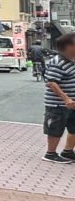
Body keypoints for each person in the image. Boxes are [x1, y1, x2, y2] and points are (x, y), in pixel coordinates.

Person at [42, 32, 75, 163]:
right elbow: (51, 82)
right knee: (55, 127)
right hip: (58, 104)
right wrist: (65, 98)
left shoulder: (72, 61)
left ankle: (67, 151)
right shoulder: (57, 62)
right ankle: (50, 154)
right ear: (67, 46)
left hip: (72, 103)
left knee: (74, 127)